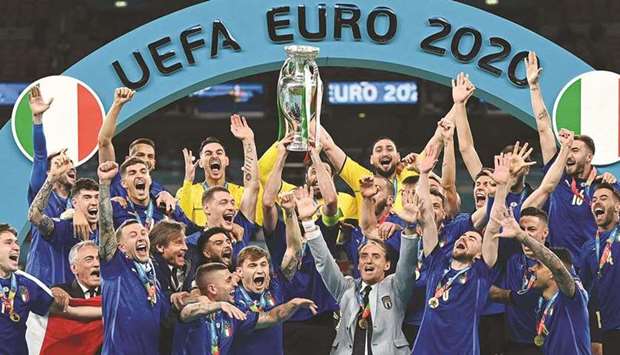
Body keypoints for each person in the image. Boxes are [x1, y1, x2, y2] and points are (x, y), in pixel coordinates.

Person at [303, 144, 435, 355]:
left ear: (387, 265)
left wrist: (409, 228)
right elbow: (324, 263)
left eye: (375, 256)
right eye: (364, 256)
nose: (368, 261)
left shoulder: (396, 288)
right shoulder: (346, 289)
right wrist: (309, 224)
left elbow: (408, 264)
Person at [412, 154, 508, 355]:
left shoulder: (480, 273)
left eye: (472, 239)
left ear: (479, 255)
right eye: (463, 237)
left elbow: (493, 227)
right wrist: (423, 173)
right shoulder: (437, 261)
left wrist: (500, 189)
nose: (464, 238)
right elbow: (427, 217)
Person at [97, 160, 171, 355]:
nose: (141, 237)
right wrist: (104, 185)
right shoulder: (115, 266)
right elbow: (105, 226)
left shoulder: (152, 273)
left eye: (143, 233)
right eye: (133, 235)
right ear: (120, 246)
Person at [494, 208, 591, 355]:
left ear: (553, 274)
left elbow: (558, 267)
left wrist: (522, 236)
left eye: (539, 266)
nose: (533, 270)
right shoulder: (542, 301)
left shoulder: (572, 297)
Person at [172, 262, 317, 355]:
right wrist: (218, 305)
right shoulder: (196, 310)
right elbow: (186, 313)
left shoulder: (231, 314)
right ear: (212, 288)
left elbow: (272, 317)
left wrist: (293, 304)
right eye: (228, 280)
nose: (235, 284)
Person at [0, 223, 75, 355]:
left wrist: (105, 311)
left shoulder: (25, 283)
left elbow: (64, 310)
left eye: (17, 243)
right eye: (8, 242)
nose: (16, 247)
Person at [97, 87, 176, 210]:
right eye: (140, 155)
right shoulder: (114, 176)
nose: (145, 159)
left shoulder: (159, 190)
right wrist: (117, 104)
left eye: (150, 156)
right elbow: (104, 142)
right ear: (128, 159)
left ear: (154, 163)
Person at [27, 151, 99, 286]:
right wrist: (52, 177)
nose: (70, 167)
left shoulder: (82, 209)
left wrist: (76, 211)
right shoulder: (43, 194)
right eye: (61, 164)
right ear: (48, 171)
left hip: (69, 285)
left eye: (71, 164)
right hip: (41, 279)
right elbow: (39, 155)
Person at [176, 114, 261, 226]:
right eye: (208, 153)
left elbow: (252, 186)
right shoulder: (187, 191)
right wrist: (188, 181)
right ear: (200, 163)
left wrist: (248, 140)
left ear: (226, 161)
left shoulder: (239, 193)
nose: (214, 156)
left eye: (219, 152)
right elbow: (181, 225)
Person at [489, 207, 548, 355]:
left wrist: (506, 296)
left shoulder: (555, 263)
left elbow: (529, 299)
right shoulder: (512, 258)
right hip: (513, 343)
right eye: (522, 229)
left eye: (532, 229)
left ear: (545, 232)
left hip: (547, 342)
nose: (525, 234)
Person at [579, 183, 620, 353]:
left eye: (604, 198)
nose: (597, 202)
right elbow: (586, 293)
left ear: (617, 206)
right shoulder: (588, 248)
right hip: (605, 329)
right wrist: (593, 334)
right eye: (594, 199)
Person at [111, 157, 199, 234]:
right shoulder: (118, 209)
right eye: (132, 173)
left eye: (143, 172)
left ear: (150, 180)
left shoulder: (166, 205)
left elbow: (193, 232)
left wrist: (174, 214)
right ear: (123, 183)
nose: (139, 175)